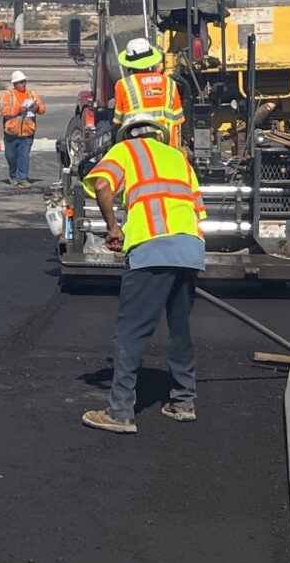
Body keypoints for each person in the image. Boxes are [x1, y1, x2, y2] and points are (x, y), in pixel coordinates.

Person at [80, 112, 207, 434]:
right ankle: (184, 402)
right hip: (190, 248)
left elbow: (102, 183)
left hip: (151, 248)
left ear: (128, 134)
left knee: (131, 332)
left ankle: (120, 412)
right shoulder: (179, 159)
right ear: (159, 134)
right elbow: (197, 208)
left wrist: (113, 227)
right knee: (180, 329)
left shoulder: (126, 150)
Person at [112, 37, 184, 147]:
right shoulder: (169, 83)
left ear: (129, 63)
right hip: (167, 147)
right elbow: (178, 121)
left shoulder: (123, 85)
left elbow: (117, 121)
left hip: (136, 147)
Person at [0, 70, 45, 186]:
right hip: (11, 132)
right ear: (14, 84)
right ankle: (13, 175)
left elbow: (43, 109)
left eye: (24, 81)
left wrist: (37, 108)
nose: (23, 84)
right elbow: (3, 110)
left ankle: (23, 178)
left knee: (24, 155)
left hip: (28, 131)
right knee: (11, 156)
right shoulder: (8, 95)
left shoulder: (32, 94)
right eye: (20, 82)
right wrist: (18, 110)